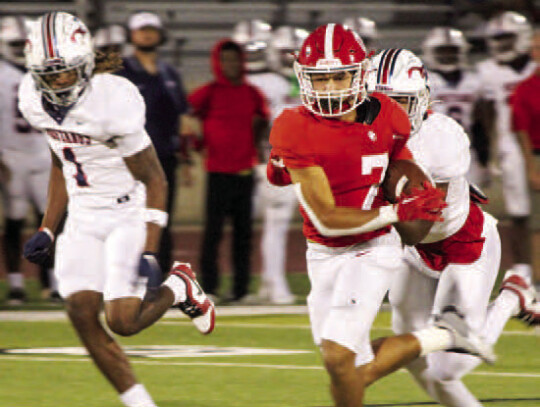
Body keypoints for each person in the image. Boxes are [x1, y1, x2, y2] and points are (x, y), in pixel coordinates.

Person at [267, 24, 494, 407]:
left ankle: (445, 332)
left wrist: (416, 204)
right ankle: (442, 335)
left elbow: (405, 170)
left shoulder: (389, 114)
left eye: (339, 76)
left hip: (373, 246)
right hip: (323, 248)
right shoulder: (292, 125)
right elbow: (325, 218)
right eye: (319, 79)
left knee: (339, 356)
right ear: (302, 77)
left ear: (359, 74)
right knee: (345, 363)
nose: (330, 89)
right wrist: (393, 211)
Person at [19, 12, 214, 407]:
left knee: (123, 321)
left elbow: (156, 180)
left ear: (86, 64)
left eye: (67, 72)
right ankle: (139, 403)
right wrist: (49, 228)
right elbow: (62, 159)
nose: (58, 81)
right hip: (84, 215)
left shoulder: (113, 99)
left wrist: (148, 250)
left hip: (127, 211)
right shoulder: (30, 97)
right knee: (80, 311)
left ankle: (178, 286)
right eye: (49, 73)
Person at [368, 48, 539, 407]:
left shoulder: (442, 136)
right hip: (413, 249)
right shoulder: (359, 135)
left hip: (462, 246)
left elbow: (416, 225)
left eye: (401, 101)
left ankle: (512, 295)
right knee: (410, 349)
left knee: (450, 364)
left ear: (422, 98)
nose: (392, 112)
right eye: (383, 102)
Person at [188, 38, 270, 303]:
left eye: (235, 59)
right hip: (217, 172)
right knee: (213, 233)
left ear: (242, 61)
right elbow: (186, 117)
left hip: (245, 172)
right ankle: (209, 287)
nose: (231, 64)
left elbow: (265, 120)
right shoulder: (208, 92)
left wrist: (258, 147)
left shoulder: (252, 92)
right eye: (225, 59)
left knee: (243, 235)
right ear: (217, 63)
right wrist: (196, 143)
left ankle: (241, 290)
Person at [233, 21, 307, 304]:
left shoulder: (284, 82)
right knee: (272, 225)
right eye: (285, 52)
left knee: (270, 226)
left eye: (293, 52)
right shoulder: (278, 83)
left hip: (273, 160)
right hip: (272, 161)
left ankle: (268, 283)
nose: (289, 57)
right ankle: (272, 285)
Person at [117, 12, 189, 275]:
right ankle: (124, 280)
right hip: (128, 159)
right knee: (128, 221)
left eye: (151, 29)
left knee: (161, 220)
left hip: (164, 158)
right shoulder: (121, 71)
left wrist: (186, 157)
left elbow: (181, 117)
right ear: (131, 34)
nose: (147, 34)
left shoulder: (170, 72)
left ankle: (157, 280)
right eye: (141, 30)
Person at [0, 15, 58, 303]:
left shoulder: (47, 70)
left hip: (43, 153)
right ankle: (16, 283)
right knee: (14, 220)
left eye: (24, 43)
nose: (21, 48)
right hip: (11, 156)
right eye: (15, 44)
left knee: (49, 220)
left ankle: (53, 282)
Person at [476, 11, 536, 285]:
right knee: (519, 211)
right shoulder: (487, 70)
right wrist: (490, 151)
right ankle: (524, 268)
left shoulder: (533, 67)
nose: (501, 44)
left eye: (507, 37)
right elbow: (486, 113)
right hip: (511, 145)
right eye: (497, 38)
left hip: (530, 142)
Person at [422, 27, 490, 186]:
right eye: (442, 51)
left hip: (466, 151)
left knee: (469, 204)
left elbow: (480, 124)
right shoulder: (421, 80)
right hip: (431, 153)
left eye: (452, 50)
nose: (448, 55)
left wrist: (484, 157)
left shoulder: (474, 81)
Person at [511, 28, 540, 292]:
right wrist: (532, 167)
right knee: (538, 225)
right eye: (535, 47)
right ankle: (539, 281)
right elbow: (521, 132)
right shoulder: (525, 88)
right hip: (539, 155)